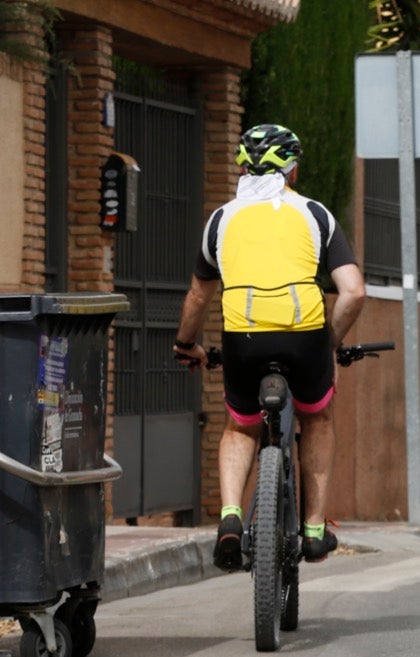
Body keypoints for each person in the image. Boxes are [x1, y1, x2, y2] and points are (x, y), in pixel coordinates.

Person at [173, 123, 365, 570]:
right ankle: (315, 530)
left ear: (242, 167)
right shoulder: (316, 215)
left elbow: (199, 296)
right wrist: (328, 345)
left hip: (243, 339)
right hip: (306, 339)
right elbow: (353, 292)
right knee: (317, 416)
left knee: (240, 426)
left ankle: (229, 520)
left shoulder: (221, 219)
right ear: (293, 172)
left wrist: (186, 345)